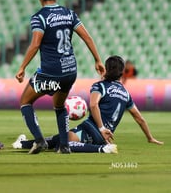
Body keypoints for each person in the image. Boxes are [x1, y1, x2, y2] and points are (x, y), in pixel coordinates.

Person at [15, 0, 105, 154]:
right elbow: (87, 37)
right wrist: (98, 60)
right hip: (70, 71)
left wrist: (22, 67)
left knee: (25, 102)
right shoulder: (69, 14)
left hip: (50, 72)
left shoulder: (39, 17)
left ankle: (40, 141)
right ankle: (64, 146)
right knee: (59, 106)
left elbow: (35, 44)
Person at [13, 55, 164, 153]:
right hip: (106, 134)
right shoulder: (126, 93)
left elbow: (93, 105)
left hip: (94, 129)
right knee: (60, 138)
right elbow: (139, 118)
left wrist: (101, 127)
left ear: (106, 68)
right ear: (122, 72)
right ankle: (23, 144)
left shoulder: (100, 86)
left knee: (64, 144)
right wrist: (149, 137)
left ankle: (102, 149)